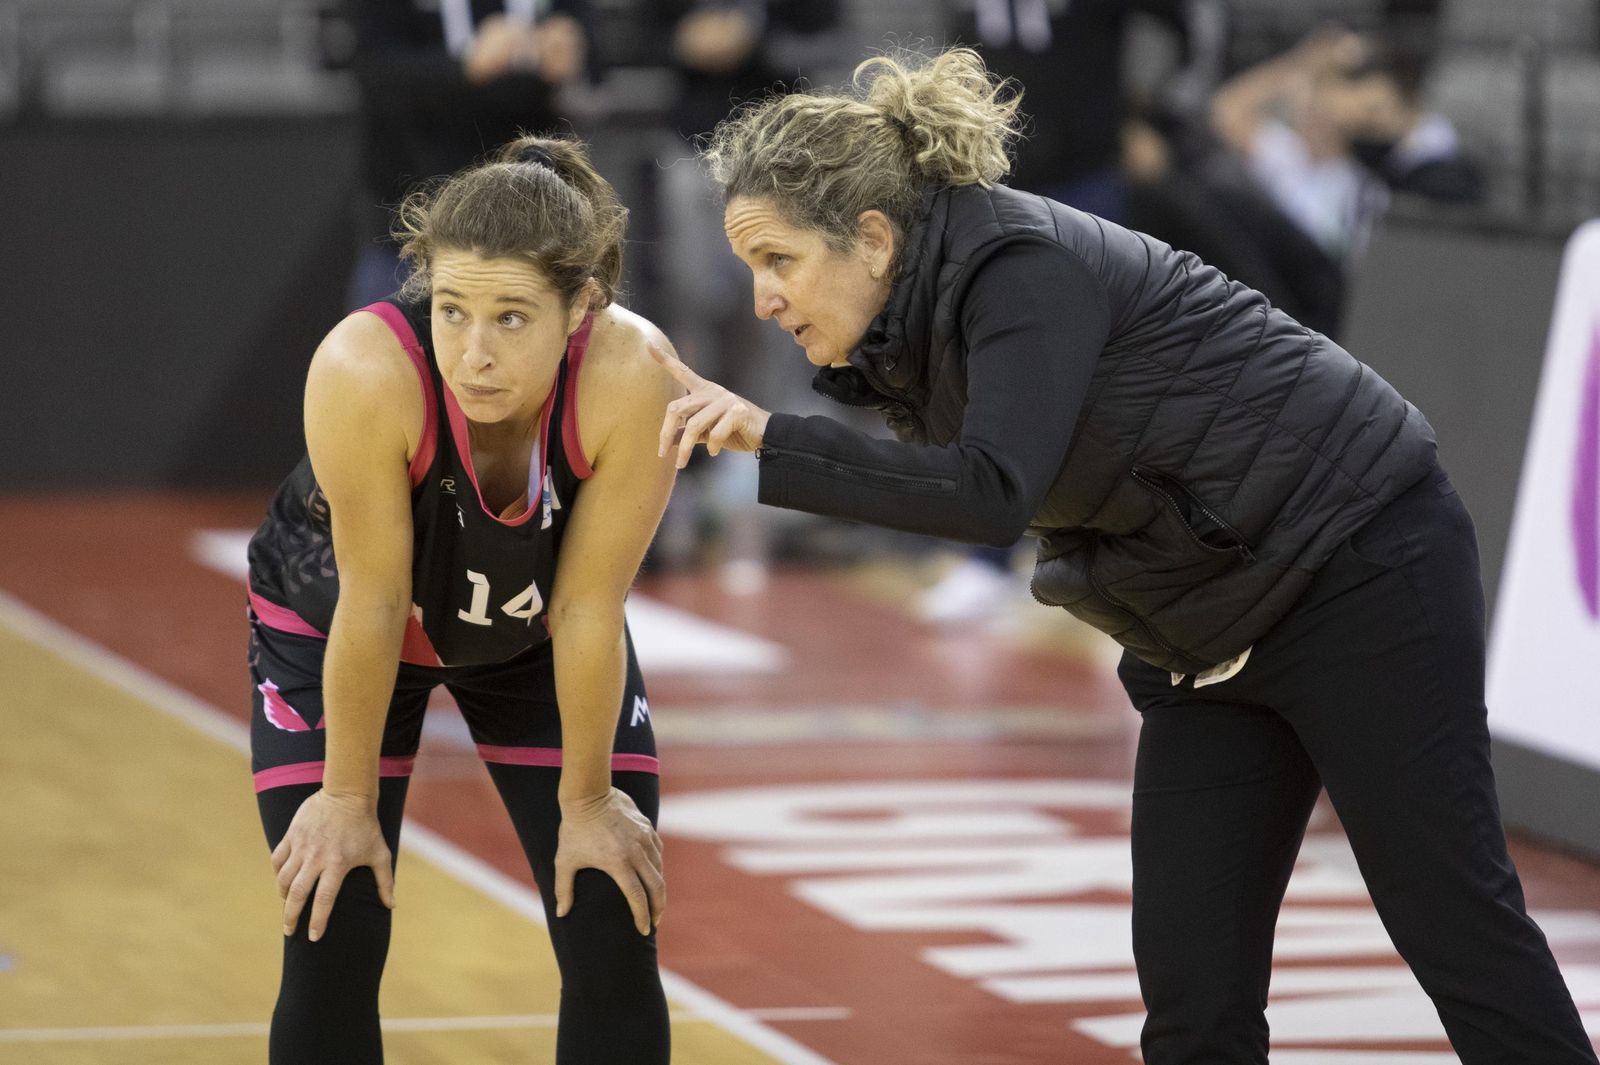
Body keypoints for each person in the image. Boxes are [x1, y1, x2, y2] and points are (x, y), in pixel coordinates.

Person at [649, 46, 1599, 1064]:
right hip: (1200, 629)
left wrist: (770, 436)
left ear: (873, 238)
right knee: (1192, 999)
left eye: (778, 261)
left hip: (1353, 568)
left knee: (1449, 920)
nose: (760, 299)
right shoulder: (910, 315)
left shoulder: (1018, 269)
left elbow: (990, 494)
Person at [245, 135, 676, 1065]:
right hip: (345, 622)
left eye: (512, 318)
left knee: (611, 913)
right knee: (334, 913)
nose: (474, 354)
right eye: (452, 310)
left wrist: (593, 800)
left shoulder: (634, 375)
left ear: (581, 308)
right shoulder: (364, 370)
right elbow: (372, 600)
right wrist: (347, 796)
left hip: (530, 632)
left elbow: (591, 607)